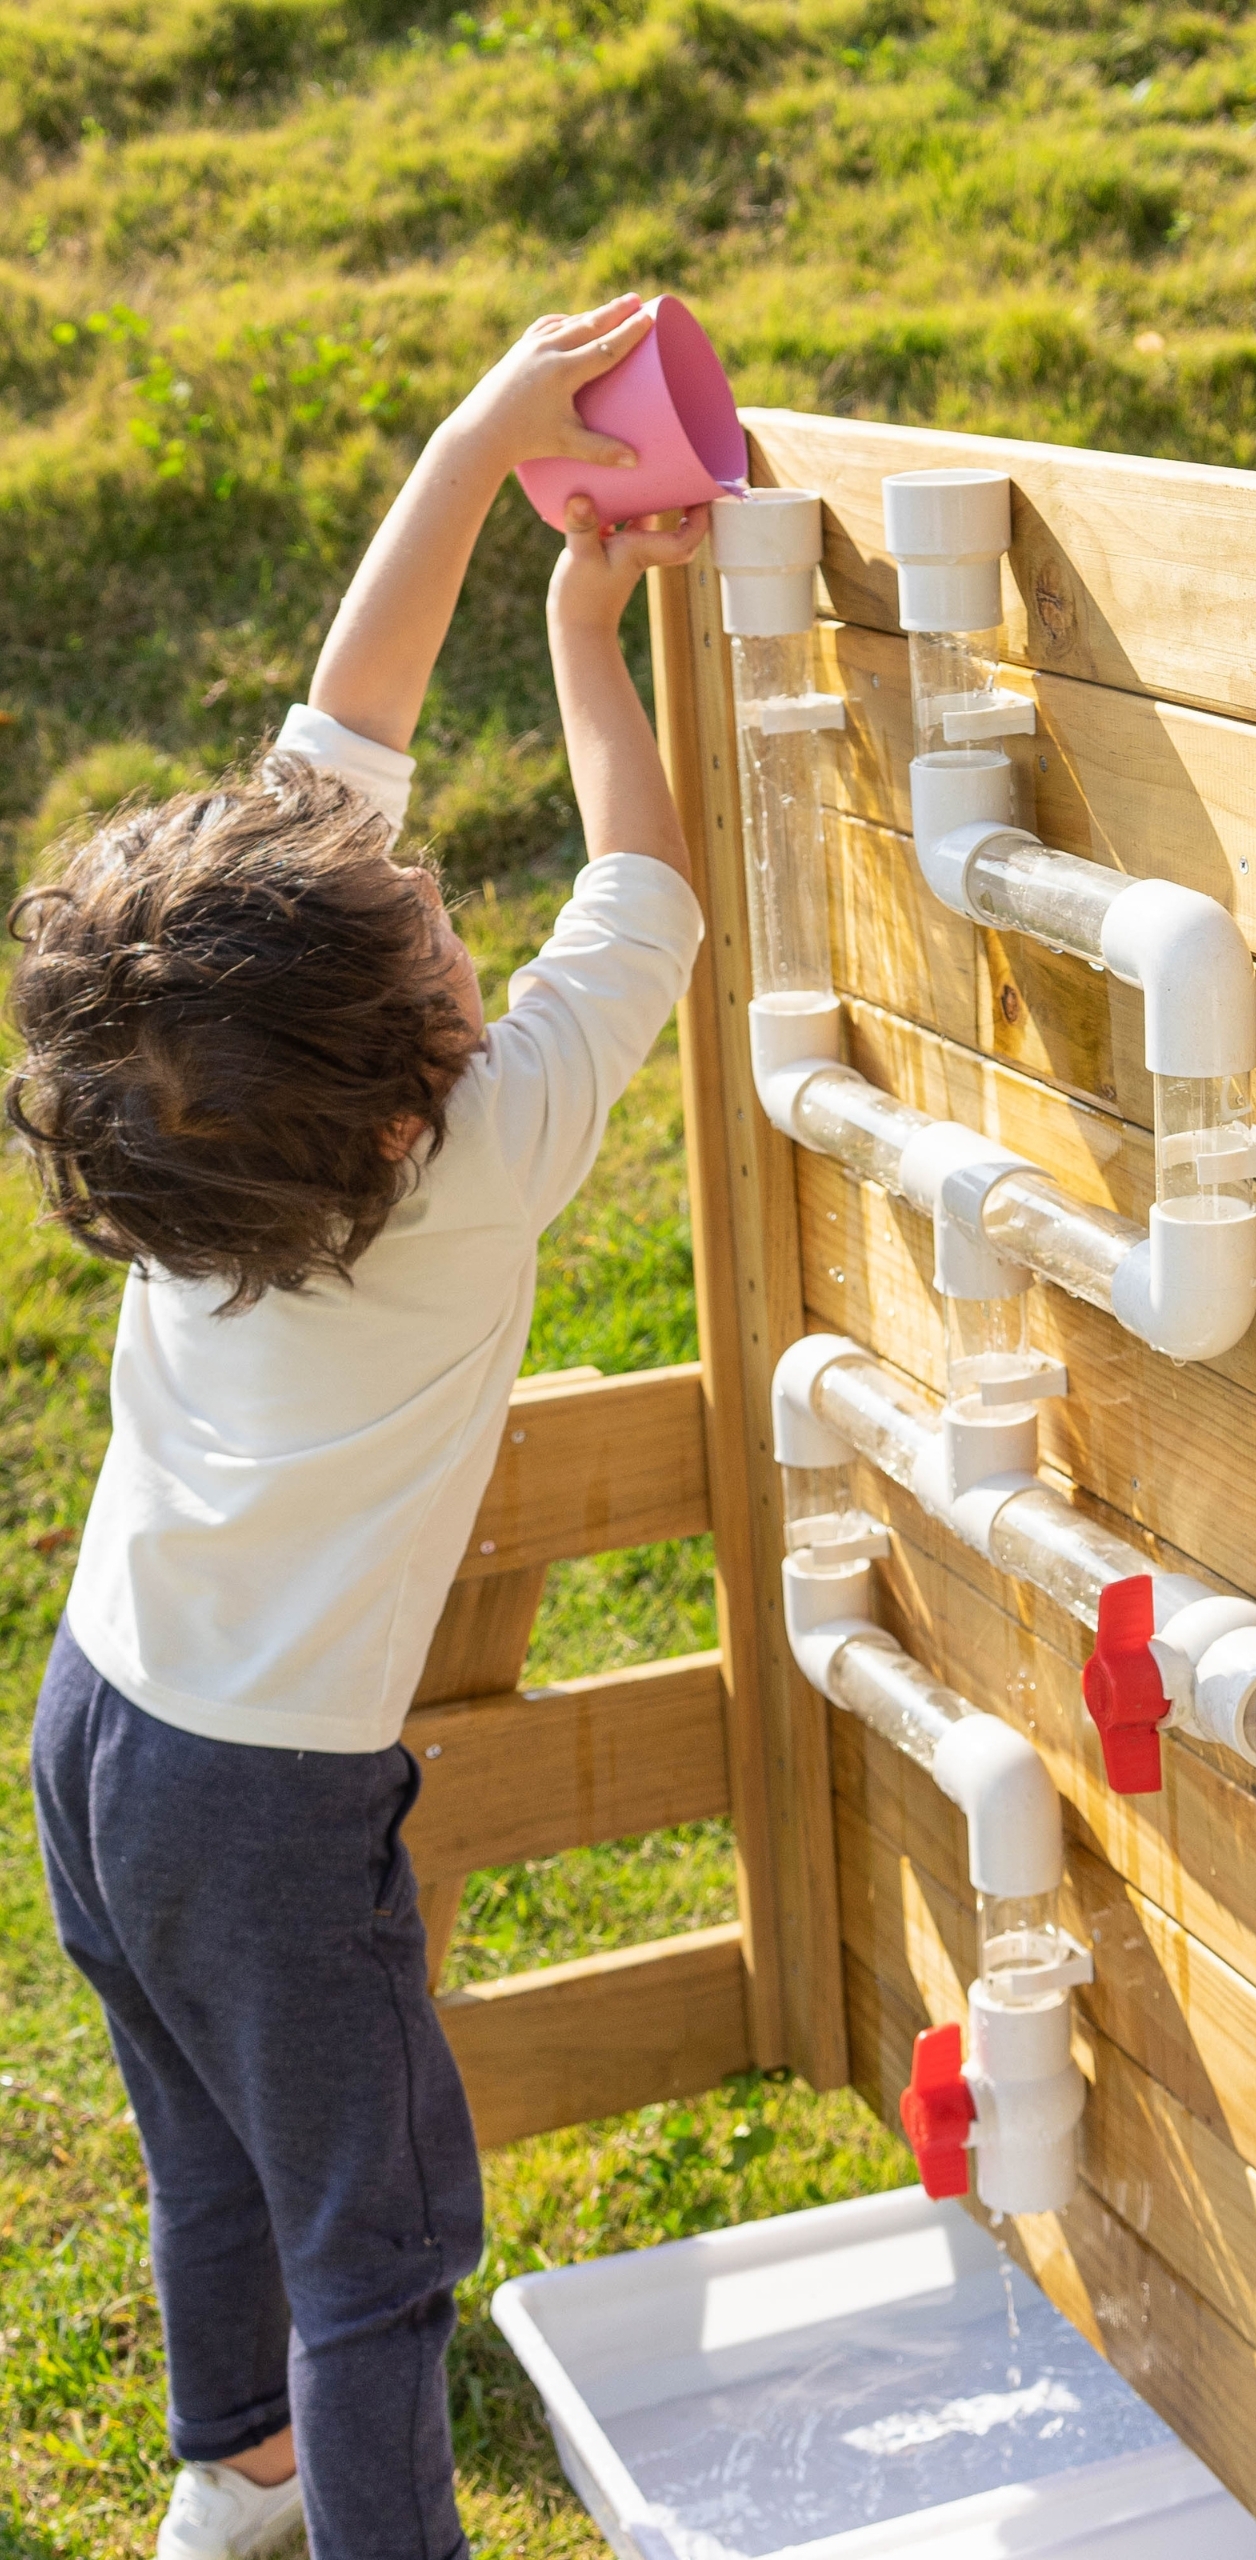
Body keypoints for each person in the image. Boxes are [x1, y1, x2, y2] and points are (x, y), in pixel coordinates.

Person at [10, 296, 712, 2560]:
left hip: (98, 1728)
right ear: (412, 1084)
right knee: (377, 2242)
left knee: (207, 2142)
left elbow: (355, 715)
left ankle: (234, 2479)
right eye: (422, 924)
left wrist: (482, 432)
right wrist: (586, 633)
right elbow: (650, 893)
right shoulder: (482, 1158)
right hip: (268, 1807)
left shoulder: (192, 1140)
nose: (422, 880)